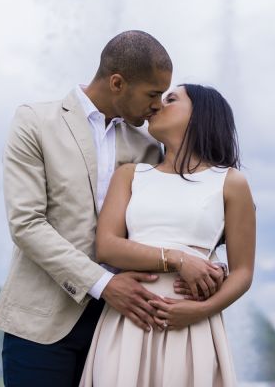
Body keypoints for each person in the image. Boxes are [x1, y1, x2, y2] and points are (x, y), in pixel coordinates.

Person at [0, 31, 223, 386]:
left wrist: (206, 260)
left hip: (123, 329)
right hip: (41, 325)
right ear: (117, 83)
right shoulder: (34, 121)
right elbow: (26, 225)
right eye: (152, 94)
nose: (158, 105)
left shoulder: (147, 147)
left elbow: (174, 214)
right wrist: (103, 284)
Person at [78, 83, 256, 387]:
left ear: (201, 116)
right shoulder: (131, 175)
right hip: (130, 318)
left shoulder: (231, 183)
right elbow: (106, 247)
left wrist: (199, 311)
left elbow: (243, 272)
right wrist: (179, 260)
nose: (157, 106)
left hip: (191, 327)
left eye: (171, 99)